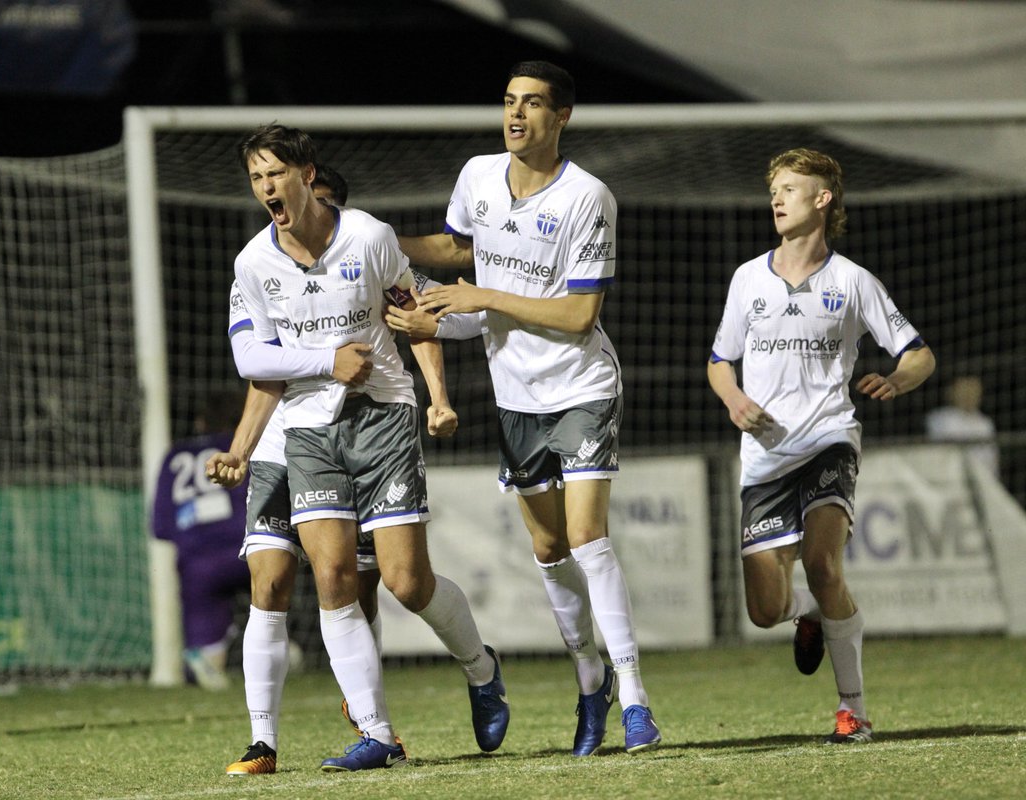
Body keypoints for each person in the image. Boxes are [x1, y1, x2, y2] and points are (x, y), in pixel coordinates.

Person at [222, 129, 508, 773]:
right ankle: (377, 734)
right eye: (256, 179)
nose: (267, 187)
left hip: (382, 418)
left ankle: (481, 666)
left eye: (276, 174)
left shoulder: (370, 238)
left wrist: (437, 397)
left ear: (306, 173)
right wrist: (248, 442)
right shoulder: (254, 263)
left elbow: (412, 316)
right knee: (332, 577)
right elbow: (256, 364)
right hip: (307, 429)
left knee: (406, 582)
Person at [396, 60, 660, 757]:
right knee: (549, 551)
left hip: (580, 385)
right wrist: (378, 241)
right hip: (515, 397)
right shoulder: (478, 176)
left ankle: (635, 698)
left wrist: (482, 296)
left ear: (561, 117)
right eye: (509, 101)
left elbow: (578, 314)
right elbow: (456, 249)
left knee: (587, 536)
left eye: (533, 104)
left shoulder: (587, 197)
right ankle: (590, 679)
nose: (516, 115)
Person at [707, 148, 936, 744]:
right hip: (764, 456)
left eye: (789, 188)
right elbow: (718, 362)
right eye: (774, 189)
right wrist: (733, 399)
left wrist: (896, 378)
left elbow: (919, 354)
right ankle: (808, 614)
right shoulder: (747, 279)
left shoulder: (852, 282)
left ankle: (853, 710)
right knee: (763, 610)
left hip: (830, 438)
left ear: (822, 198)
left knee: (823, 562)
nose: (777, 199)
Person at [150, 391, 252, 690]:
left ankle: (210, 656)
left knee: (206, 645)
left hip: (196, 562)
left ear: (200, 422)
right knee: (273, 596)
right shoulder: (238, 448)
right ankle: (282, 641)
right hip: (244, 549)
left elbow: (160, 526)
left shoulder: (174, 456)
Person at [925, 374, 998, 477]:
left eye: (974, 390)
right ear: (951, 393)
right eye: (964, 390)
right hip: (951, 478)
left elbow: (991, 457)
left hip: (982, 478)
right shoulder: (939, 418)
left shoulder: (985, 423)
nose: (970, 395)